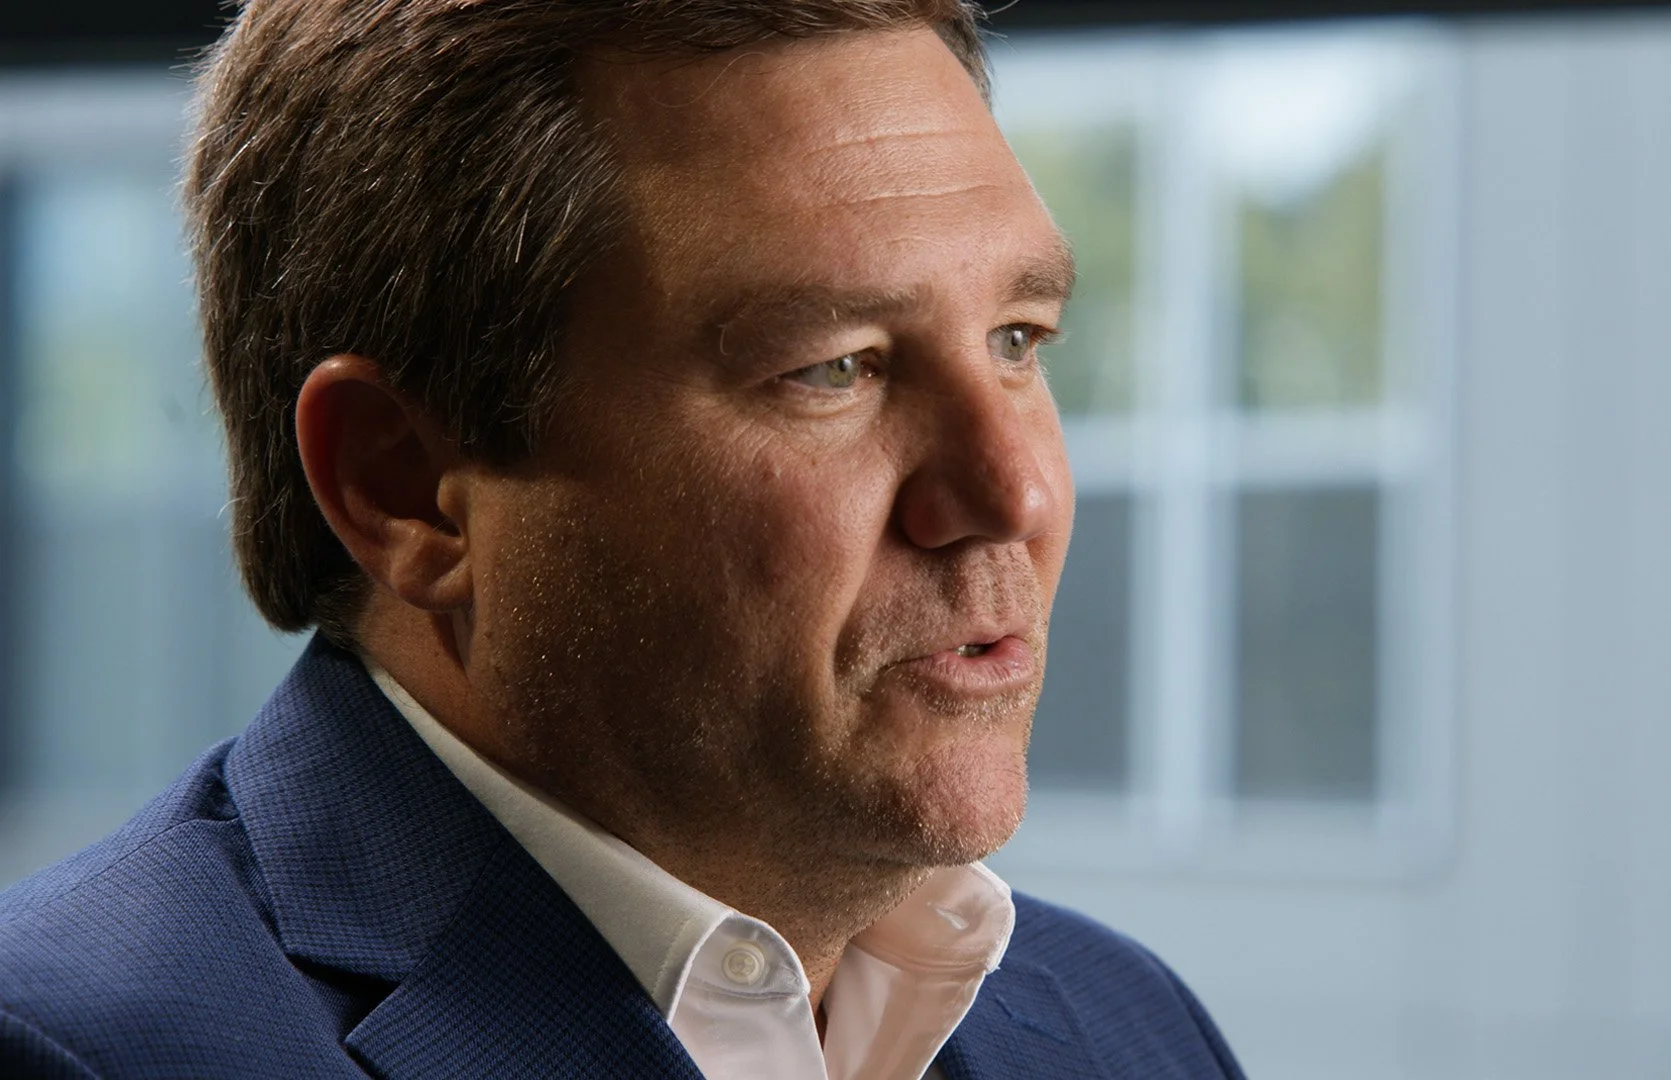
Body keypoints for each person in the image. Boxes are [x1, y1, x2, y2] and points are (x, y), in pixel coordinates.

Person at [0, 1, 1245, 1077]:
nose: (1012, 493)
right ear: (407, 487)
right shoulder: (77, 1048)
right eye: (834, 369)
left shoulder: (1130, 1030)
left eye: (1017, 340)